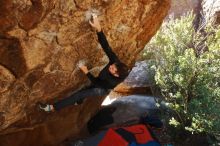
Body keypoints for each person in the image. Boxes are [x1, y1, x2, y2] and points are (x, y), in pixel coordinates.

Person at [39, 15, 129, 112]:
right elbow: (106, 47)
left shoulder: (111, 82)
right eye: (113, 65)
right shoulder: (115, 62)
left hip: (103, 88)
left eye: (112, 69)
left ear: (116, 74)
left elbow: (96, 82)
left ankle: (51, 108)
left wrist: (86, 72)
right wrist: (99, 29)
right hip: (102, 80)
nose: (111, 66)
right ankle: (79, 102)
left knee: (81, 93)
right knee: (86, 89)